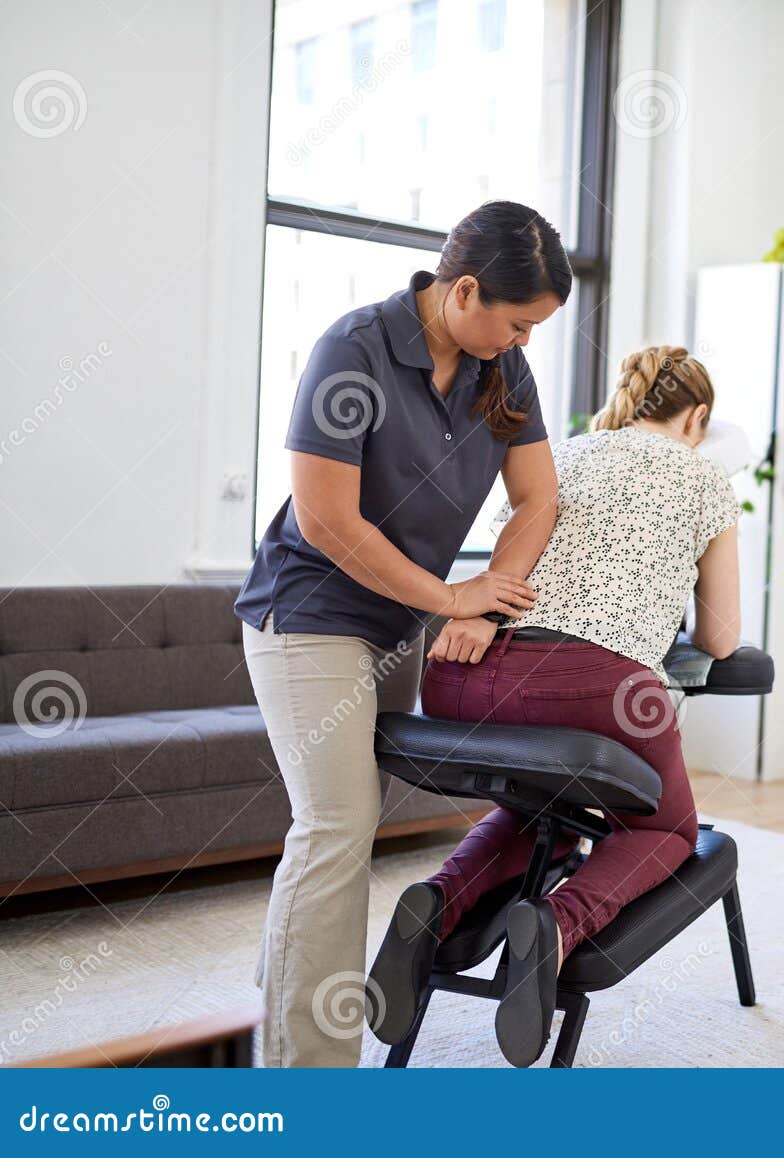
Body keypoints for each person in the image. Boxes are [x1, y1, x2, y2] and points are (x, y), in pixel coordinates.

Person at [233, 201, 572, 1067]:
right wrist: (451, 601)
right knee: (336, 825)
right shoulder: (354, 350)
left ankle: (290, 1032)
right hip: (309, 614)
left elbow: (538, 500)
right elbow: (326, 522)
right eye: (521, 321)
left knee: (355, 826)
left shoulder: (501, 370)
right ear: (466, 290)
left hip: (397, 618)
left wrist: (487, 603)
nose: (526, 341)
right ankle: (307, 1080)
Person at [365, 345, 742, 1067]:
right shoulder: (703, 477)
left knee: (544, 810)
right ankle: (558, 925)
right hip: (594, 684)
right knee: (667, 827)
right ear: (697, 416)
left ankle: (439, 902)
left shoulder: (558, 455)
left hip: (458, 674)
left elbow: (513, 558)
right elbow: (720, 637)